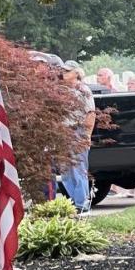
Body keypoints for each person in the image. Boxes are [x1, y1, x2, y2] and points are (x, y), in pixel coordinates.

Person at [59, 61, 95, 210]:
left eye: (67, 71)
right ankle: (73, 201)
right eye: (63, 70)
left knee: (78, 167)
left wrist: (86, 135)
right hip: (63, 132)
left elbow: (90, 114)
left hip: (77, 130)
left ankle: (82, 203)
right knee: (65, 169)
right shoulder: (61, 91)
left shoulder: (83, 90)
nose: (63, 73)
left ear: (76, 73)